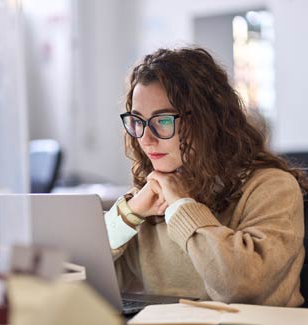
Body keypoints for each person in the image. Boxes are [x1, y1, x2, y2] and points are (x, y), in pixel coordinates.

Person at [104, 47, 308, 307]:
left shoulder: (272, 187)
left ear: (207, 120)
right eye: (138, 121)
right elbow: (82, 274)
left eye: (163, 120)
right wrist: (129, 213)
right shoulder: (151, 195)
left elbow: (240, 288)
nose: (146, 138)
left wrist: (182, 207)